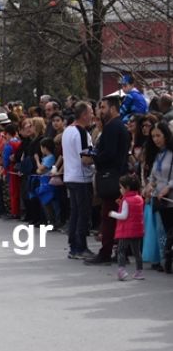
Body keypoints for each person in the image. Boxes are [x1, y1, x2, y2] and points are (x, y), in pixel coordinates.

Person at [85, 96, 130, 265]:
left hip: (112, 178)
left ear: (112, 108)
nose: (100, 111)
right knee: (117, 217)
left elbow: (110, 153)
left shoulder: (112, 127)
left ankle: (106, 253)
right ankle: (120, 253)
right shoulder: (118, 126)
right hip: (118, 176)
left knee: (109, 216)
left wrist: (94, 158)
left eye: (103, 108)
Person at [62, 101, 96, 260]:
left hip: (70, 176)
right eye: (90, 113)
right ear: (83, 115)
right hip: (81, 177)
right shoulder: (82, 133)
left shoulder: (67, 131)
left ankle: (73, 245)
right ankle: (80, 247)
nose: (92, 116)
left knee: (75, 212)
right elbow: (85, 158)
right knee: (83, 213)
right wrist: (98, 161)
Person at [143, 121, 173, 273]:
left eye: (158, 136)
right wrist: (149, 186)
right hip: (159, 200)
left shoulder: (171, 153)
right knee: (163, 231)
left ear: (166, 135)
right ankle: (165, 259)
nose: (155, 139)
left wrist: (168, 187)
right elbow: (153, 177)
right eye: (153, 136)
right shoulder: (157, 155)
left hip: (169, 197)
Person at [109, 174, 145, 281]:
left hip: (126, 231)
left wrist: (113, 214)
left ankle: (122, 271)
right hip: (137, 230)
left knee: (121, 250)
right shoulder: (139, 198)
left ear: (127, 188)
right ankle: (139, 271)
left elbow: (124, 216)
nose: (120, 190)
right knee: (137, 252)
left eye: (121, 187)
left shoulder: (126, 200)